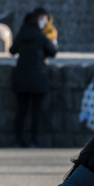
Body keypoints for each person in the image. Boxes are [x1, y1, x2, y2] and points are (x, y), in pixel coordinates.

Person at [10, 8, 57, 147]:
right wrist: (54, 41)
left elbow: (12, 50)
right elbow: (53, 52)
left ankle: (17, 140)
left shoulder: (21, 34)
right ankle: (33, 141)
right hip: (38, 79)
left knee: (21, 111)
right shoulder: (42, 37)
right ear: (37, 20)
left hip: (21, 79)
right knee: (36, 112)